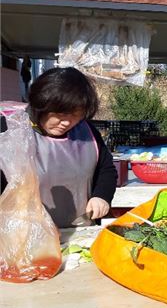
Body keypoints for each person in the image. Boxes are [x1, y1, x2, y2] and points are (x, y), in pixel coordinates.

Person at [0, 67, 118, 228]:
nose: (67, 123)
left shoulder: (88, 132)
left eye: (76, 116)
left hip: (80, 233)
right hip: (25, 235)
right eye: (60, 115)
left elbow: (106, 169)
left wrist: (101, 196)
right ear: (42, 104)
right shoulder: (11, 131)